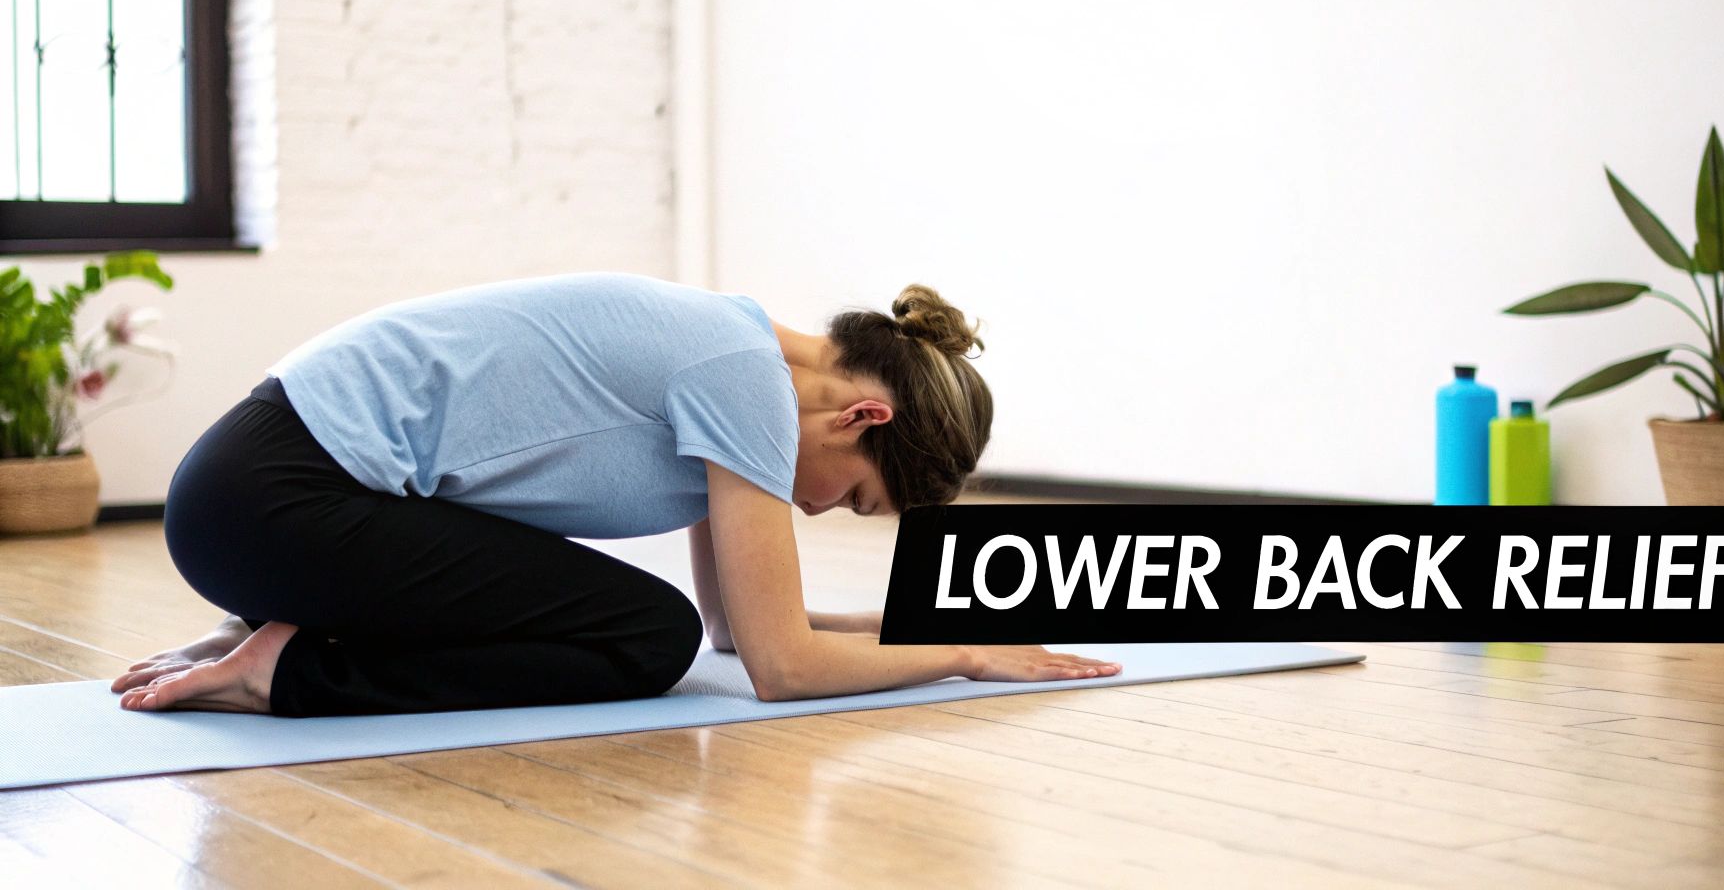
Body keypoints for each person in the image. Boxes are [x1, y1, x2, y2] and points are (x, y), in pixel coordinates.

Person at [111, 272, 1120, 716]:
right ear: (866, 419)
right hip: (278, 501)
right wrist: (967, 652)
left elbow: (743, 627)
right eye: (853, 498)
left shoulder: (737, 344)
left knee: (667, 627)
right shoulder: (742, 380)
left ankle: (285, 625)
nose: (815, 514)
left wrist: (891, 621)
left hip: (256, 496)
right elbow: (779, 667)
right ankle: (286, 672)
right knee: (643, 635)